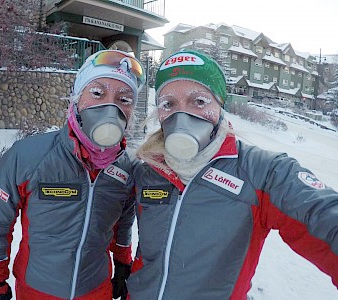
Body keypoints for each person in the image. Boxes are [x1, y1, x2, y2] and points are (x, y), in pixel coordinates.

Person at [127, 49, 338, 299]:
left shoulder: (262, 172)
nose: (181, 114)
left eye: (199, 101)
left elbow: (321, 214)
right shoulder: (147, 170)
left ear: (220, 104)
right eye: (169, 104)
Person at [0, 49, 145, 300]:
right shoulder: (28, 156)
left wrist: (122, 263)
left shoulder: (126, 169)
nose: (110, 107)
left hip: (96, 290)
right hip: (37, 290)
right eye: (98, 93)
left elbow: (123, 222)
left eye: (124, 100)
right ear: (77, 99)